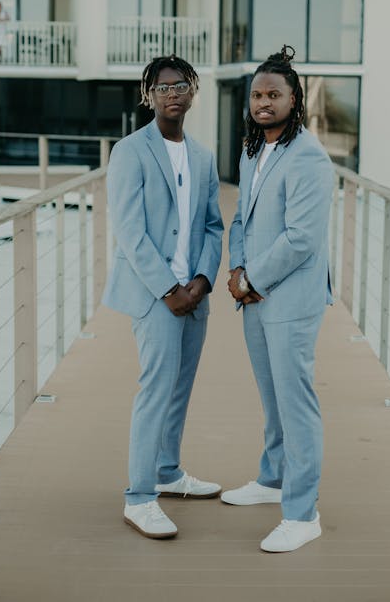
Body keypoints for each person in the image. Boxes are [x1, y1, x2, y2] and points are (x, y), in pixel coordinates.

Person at [103, 54, 224, 539]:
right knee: (155, 389)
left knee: (180, 388)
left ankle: (168, 472)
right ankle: (139, 496)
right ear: (148, 95)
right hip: (156, 296)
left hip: (194, 295)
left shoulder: (203, 156)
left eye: (181, 85)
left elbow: (213, 224)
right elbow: (129, 231)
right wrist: (169, 289)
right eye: (163, 86)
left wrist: (202, 280)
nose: (173, 93)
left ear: (194, 92)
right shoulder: (130, 151)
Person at [223, 45, 334, 553]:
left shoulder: (309, 156)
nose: (263, 102)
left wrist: (252, 279)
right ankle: (272, 481)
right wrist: (238, 269)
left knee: (296, 404)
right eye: (257, 95)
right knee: (273, 399)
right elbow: (243, 218)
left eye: (274, 94)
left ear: (295, 99)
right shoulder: (254, 150)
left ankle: (302, 513)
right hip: (255, 297)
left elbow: (301, 238)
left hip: (290, 300)